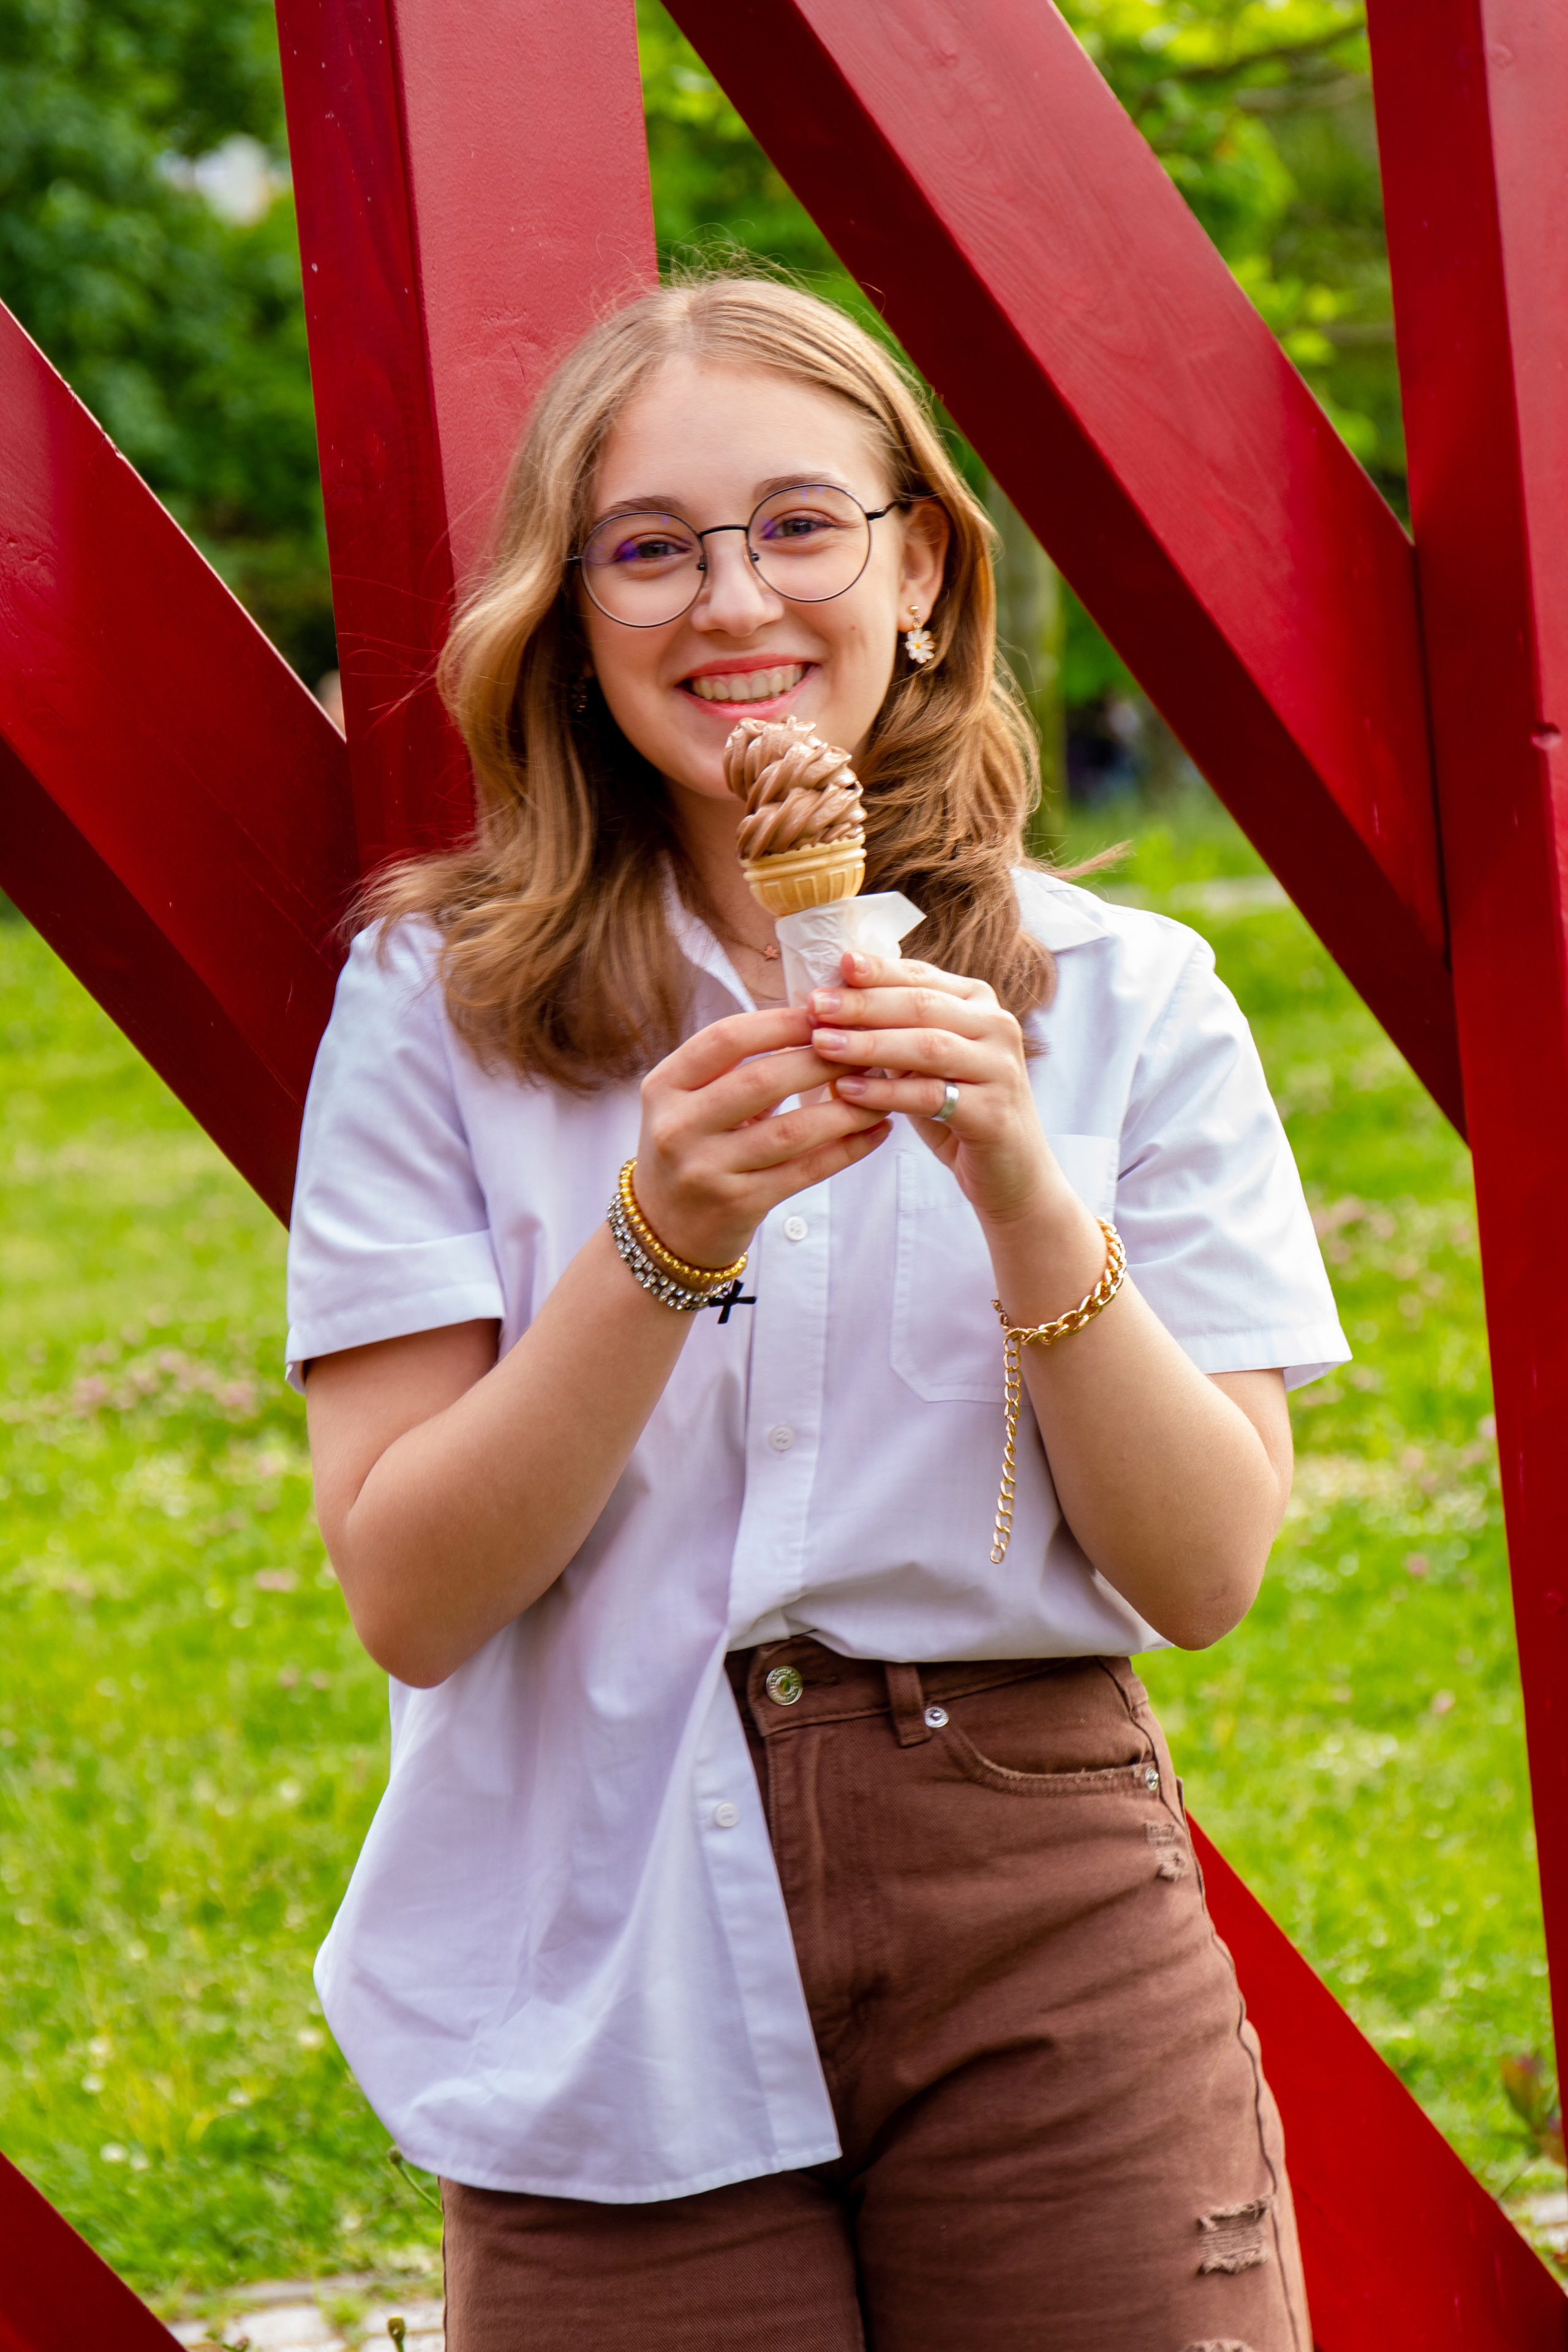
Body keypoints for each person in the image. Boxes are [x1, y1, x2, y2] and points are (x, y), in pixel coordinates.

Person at [286, 274, 1347, 2352]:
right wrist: (656, 1238)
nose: (732, 600)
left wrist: (1023, 1189)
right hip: (602, 1912)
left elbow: (1206, 1568)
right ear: (574, 621)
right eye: (649, 549)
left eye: (800, 525)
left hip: (1038, 1899)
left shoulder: (1125, 1001)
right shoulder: (439, 1013)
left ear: (922, 570)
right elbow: (410, 1593)